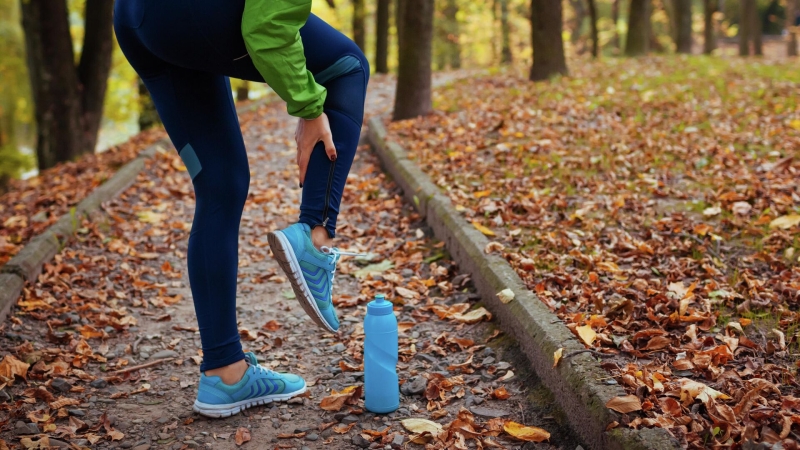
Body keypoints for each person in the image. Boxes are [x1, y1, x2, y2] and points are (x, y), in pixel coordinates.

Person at [113, 0, 369, 418]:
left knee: (220, 184)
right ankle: (315, 239)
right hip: (179, 14)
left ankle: (224, 374)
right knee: (347, 65)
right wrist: (308, 104)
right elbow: (266, 28)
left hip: (135, 18)